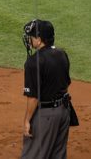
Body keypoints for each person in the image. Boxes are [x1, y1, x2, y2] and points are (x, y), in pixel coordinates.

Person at [21, 19, 74, 159]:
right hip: (64, 112)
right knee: (57, 154)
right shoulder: (61, 54)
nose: (30, 39)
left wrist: (27, 120)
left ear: (39, 40)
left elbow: (33, 97)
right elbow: (66, 83)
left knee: (33, 154)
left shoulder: (33, 62)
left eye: (32, 36)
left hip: (46, 116)